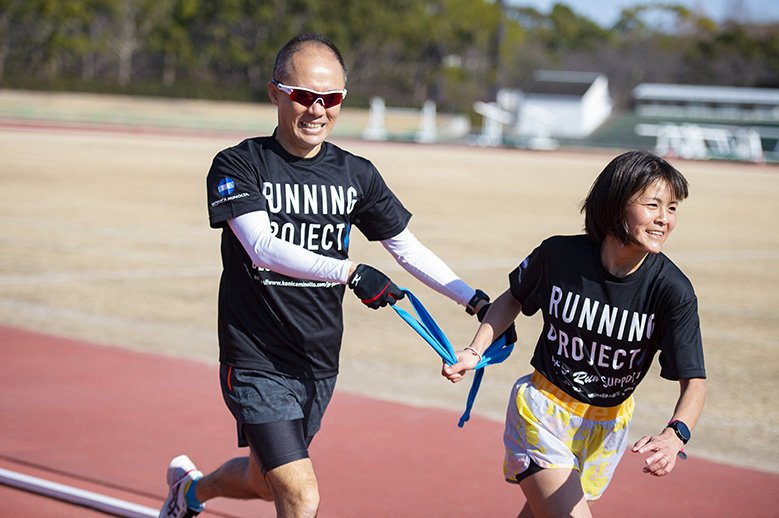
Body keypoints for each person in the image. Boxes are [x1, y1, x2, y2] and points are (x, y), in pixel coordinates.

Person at [159, 32, 490, 518]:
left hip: (317, 360)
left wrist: (474, 300)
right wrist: (352, 271)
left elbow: (406, 249)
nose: (318, 110)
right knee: (302, 495)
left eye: (331, 99)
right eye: (304, 96)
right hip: (256, 359)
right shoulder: (238, 164)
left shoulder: (357, 174)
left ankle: (188, 493)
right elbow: (263, 248)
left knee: (267, 482)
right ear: (275, 93)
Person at [443, 150, 706, 518]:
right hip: (543, 412)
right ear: (616, 203)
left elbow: (694, 380)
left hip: (606, 427)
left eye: (673, 208)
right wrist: (475, 350)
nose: (664, 219)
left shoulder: (672, 290)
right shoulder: (560, 256)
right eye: (652, 205)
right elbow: (513, 299)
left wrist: (675, 434)